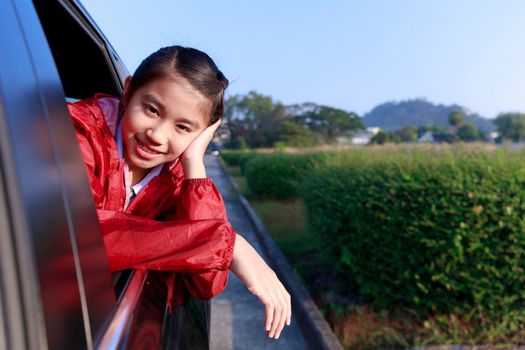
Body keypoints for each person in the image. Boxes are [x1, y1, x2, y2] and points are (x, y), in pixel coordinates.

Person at [67, 45, 291, 339]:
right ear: (129, 89)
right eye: (151, 110)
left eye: (183, 127)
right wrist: (227, 244)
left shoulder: (176, 177)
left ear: (202, 134)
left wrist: (194, 162)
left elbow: (205, 284)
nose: (158, 136)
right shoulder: (74, 133)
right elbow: (76, 238)